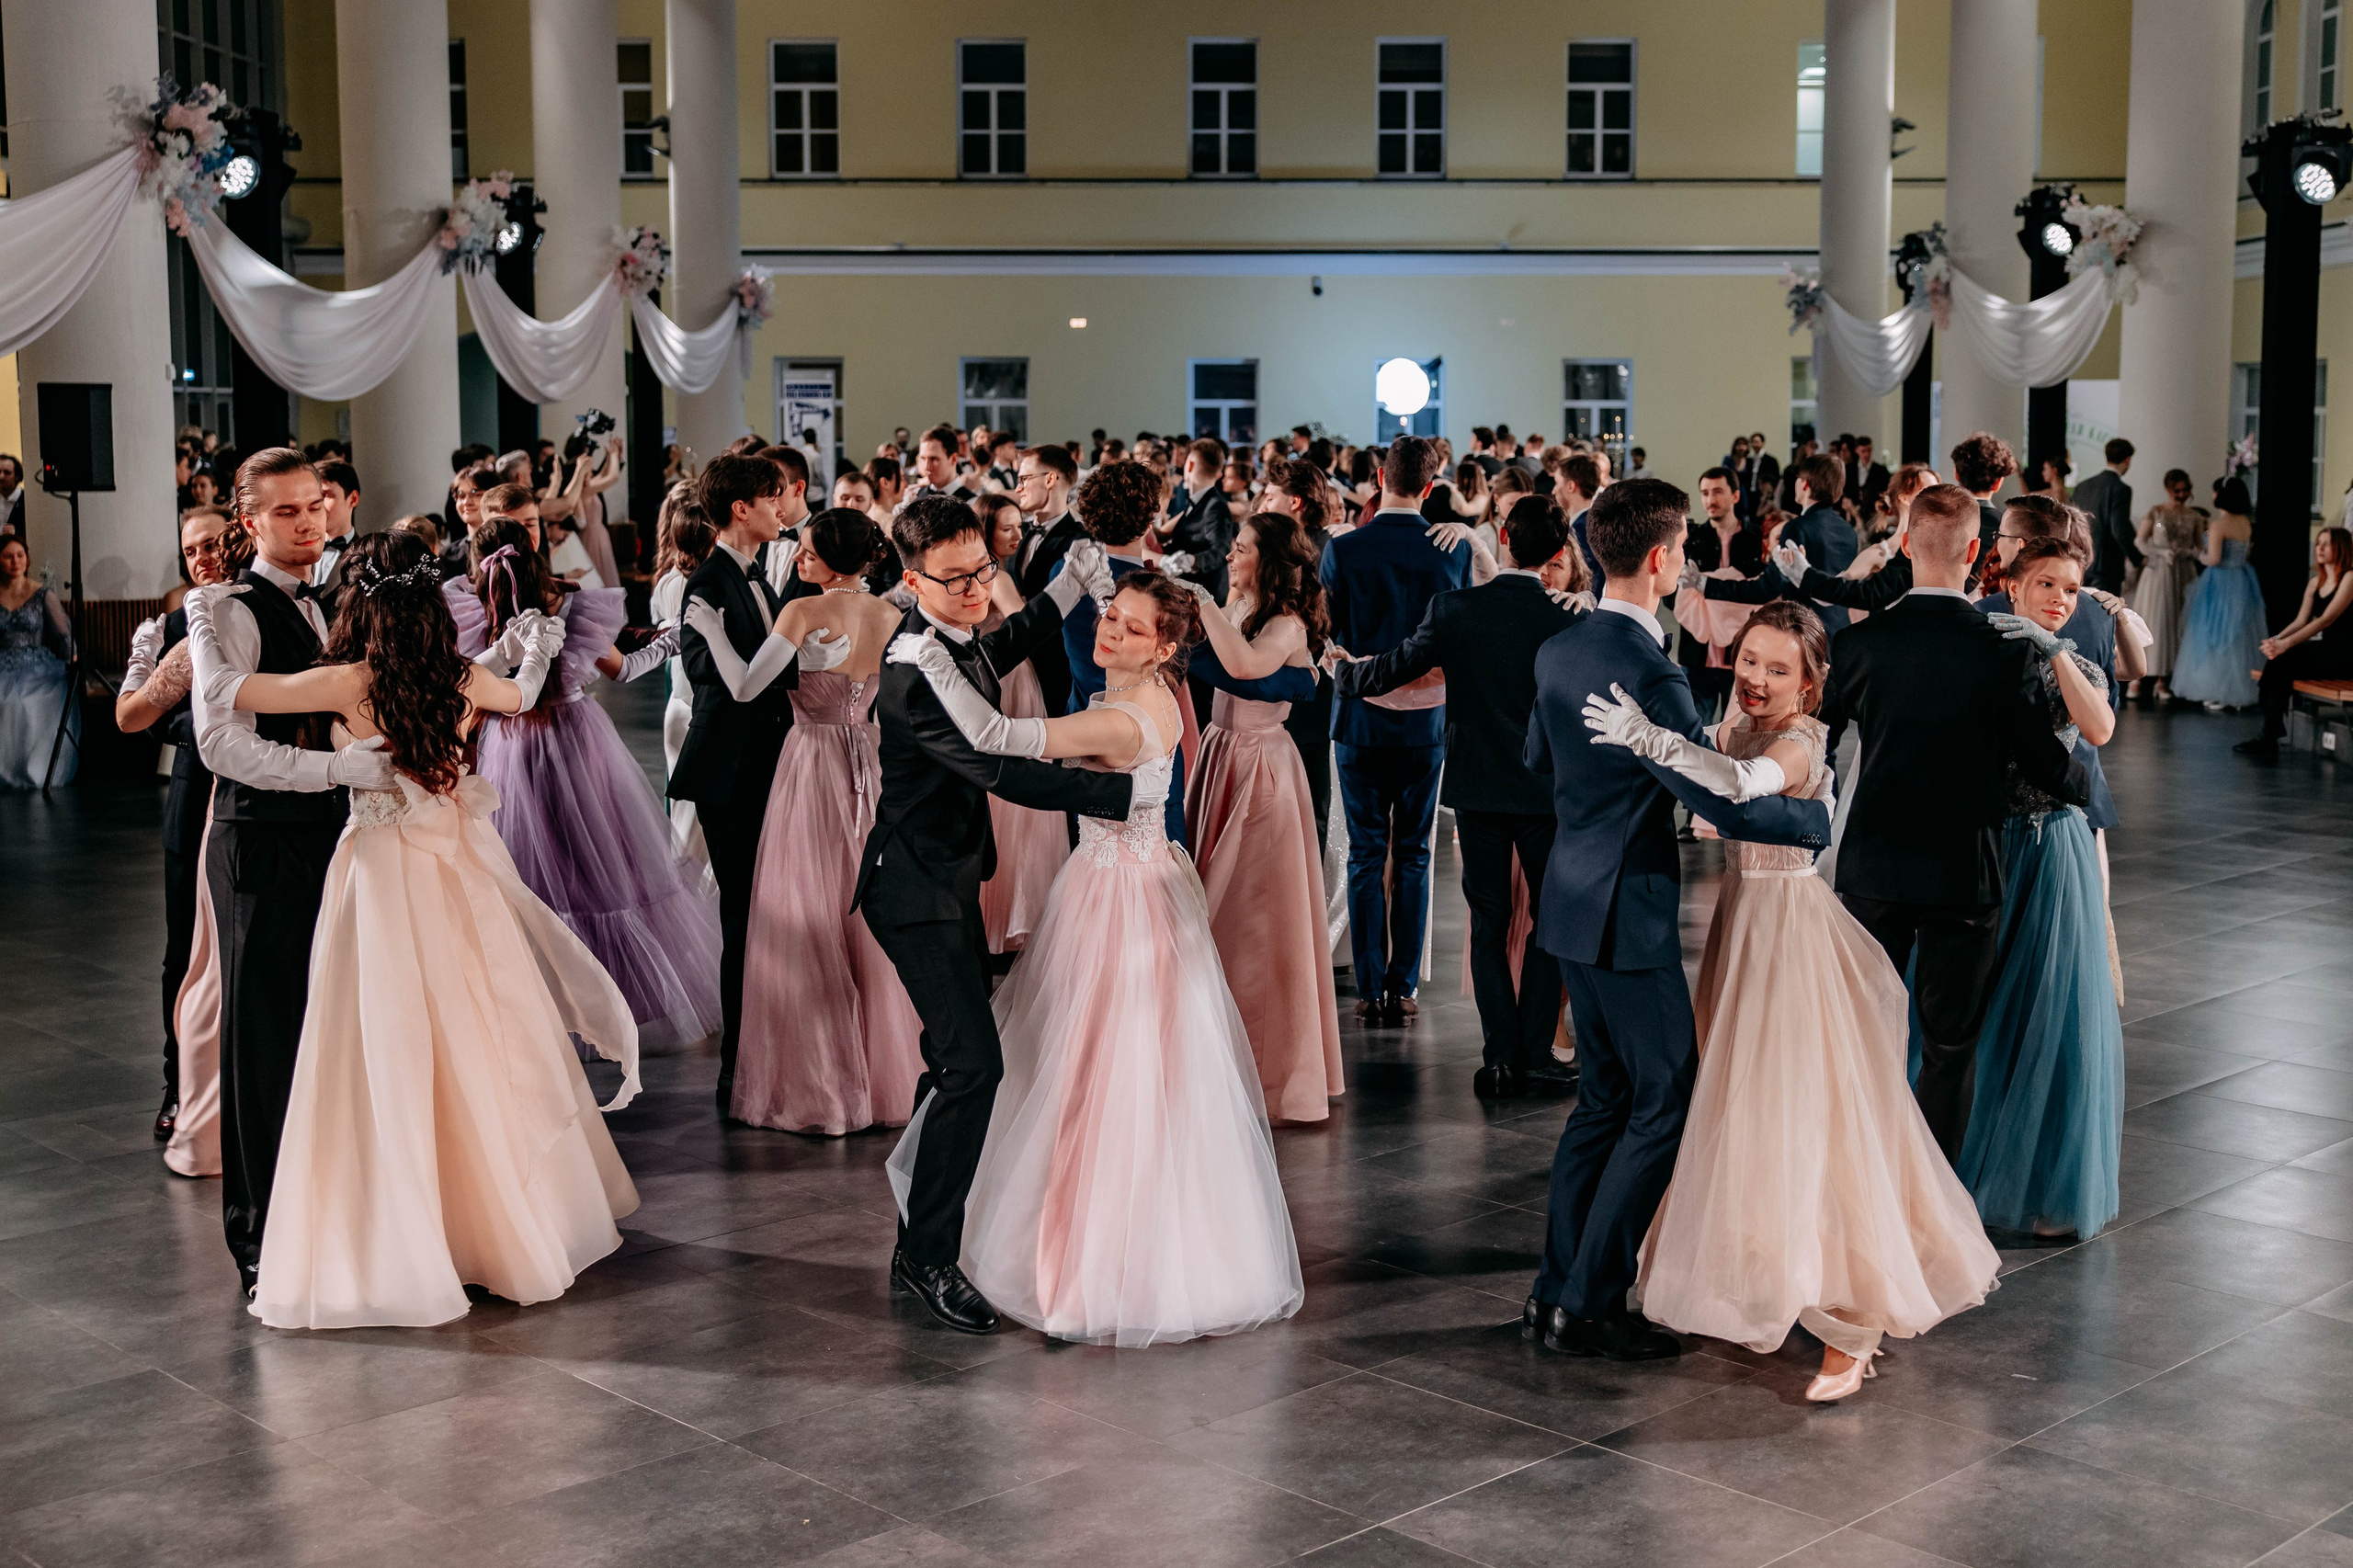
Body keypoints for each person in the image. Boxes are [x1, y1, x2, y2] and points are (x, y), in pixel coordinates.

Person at [184, 530, 642, 1329]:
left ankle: (409, 1225)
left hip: (382, 874)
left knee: (384, 1041)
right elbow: (525, 697)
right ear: (436, 615)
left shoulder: (345, 680)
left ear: (363, 611)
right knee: (476, 1028)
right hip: (461, 870)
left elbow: (228, 694)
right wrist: (532, 649)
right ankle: (496, 1225)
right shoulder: (462, 677)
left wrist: (198, 614)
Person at [1590, 601, 1997, 1403]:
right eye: (1749, 661)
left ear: (1812, 686)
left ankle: (1852, 1323)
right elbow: (1709, 777)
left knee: (1799, 1119)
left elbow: (1742, 786)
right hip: (1744, 923)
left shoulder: (1800, 742)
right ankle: (1769, 1272)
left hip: (1788, 939)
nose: (1757, 679)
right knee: (1743, 1112)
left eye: (1779, 670)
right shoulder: (1734, 721)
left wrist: (1646, 735)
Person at [884, 568, 1302, 1346]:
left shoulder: (1126, 719)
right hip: (1131, 878)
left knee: (1097, 1071)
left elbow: (1001, 740)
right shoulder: (1138, 700)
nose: (1109, 632)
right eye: (1109, 617)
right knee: (1108, 1064)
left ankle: (1091, 1266)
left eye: (1131, 628)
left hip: (1118, 899)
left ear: (1165, 648)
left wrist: (935, 664)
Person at [1521, 477, 1833, 1362]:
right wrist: (1813, 821)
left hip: (1570, 897)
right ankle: (1588, 1302)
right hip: (1629, 908)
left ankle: (1551, 1292)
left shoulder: (1559, 649)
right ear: (1661, 558)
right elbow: (1721, 805)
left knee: (1601, 1102)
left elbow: (1537, 758)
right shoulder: (1652, 673)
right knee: (1663, 1102)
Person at [856, 497, 1131, 1335]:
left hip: (948, 880)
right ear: (912, 582)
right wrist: (1121, 790)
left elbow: (1000, 642)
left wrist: (1059, 597)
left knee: (953, 1064)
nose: (978, 589)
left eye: (984, 570)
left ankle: (917, 1237)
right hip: (911, 895)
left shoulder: (955, 635)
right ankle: (931, 1257)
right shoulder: (912, 673)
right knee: (974, 1068)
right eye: (957, 578)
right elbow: (999, 771)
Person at [183, 449, 404, 1297]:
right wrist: (331, 775)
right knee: (266, 1038)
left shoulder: (352, 596)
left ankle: (339, 1215)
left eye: (314, 506)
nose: (308, 522)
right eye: (285, 512)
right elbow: (219, 741)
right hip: (264, 841)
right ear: (248, 524)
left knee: (341, 1027)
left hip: (345, 838)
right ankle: (261, 1240)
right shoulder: (221, 606)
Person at [1815, 483, 2087, 1164]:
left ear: (1905, 545)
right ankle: (1933, 1198)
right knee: (1950, 1045)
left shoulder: (1859, 645)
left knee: (1868, 1033)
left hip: (1873, 864)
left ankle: (1862, 1178)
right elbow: (2046, 764)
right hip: (1966, 871)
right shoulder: (2002, 650)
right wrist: (2083, 786)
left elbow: (1812, 745)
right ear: (1975, 552)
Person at [1337, 496, 1583, 1101]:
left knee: (1489, 926)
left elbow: (1396, 668)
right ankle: (1534, 1054)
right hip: (1547, 793)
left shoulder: (1456, 609)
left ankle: (1498, 1057)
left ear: (1503, 538)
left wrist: (1344, 673)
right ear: (1556, 555)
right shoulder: (1570, 618)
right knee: (1549, 925)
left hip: (1476, 788)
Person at [453, 518, 723, 1055]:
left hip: (509, 746)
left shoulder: (470, 615)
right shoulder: (568, 607)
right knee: (599, 867)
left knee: (531, 870)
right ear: (535, 548)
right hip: (577, 744)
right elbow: (625, 670)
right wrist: (674, 636)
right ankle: (617, 1002)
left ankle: (543, 1003)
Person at [727, 507, 926, 1134]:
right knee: (865, 912)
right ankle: (884, 1077)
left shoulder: (802, 613)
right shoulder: (893, 616)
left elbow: (743, 689)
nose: (798, 560)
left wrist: (707, 633)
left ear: (832, 558)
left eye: (807, 552)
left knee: (809, 911)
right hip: (869, 763)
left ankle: (822, 1087)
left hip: (812, 763)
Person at [674, 453, 857, 1116]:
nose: (785, 508)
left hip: (774, 764)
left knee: (773, 910)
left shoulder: (758, 575)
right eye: (774, 498)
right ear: (742, 508)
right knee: (745, 915)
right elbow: (719, 686)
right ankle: (739, 1067)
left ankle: (774, 1052)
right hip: (731, 771)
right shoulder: (705, 586)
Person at [1957, 535, 2124, 1241]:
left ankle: (2044, 1184)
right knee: (1980, 1009)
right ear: (2014, 587)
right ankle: (1965, 1170)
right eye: (2046, 585)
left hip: (2054, 849)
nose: (2059, 598)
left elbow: (2101, 728)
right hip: (1988, 845)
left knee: (2055, 1013)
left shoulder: (2073, 659)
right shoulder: (1981, 650)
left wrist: (2055, 653)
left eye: (2071, 590)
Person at [1181, 510, 1344, 1124]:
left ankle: (1265, 1067)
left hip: (1262, 769)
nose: (1230, 554)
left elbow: (1246, 667)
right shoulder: (1245, 603)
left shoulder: (1287, 622)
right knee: (1217, 905)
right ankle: (1212, 1054)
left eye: (1243, 548)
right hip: (1223, 755)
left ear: (1270, 559)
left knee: (1253, 913)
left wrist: (1204, 605)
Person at [1322, 436, 1472, 1025]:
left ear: (1380, 477)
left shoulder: (1344, 548)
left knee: (1364, 855)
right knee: (1413, 854)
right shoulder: (1450, 551)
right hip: (1426, 720)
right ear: (1430, 487)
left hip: (1360, 717)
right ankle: (1403, 984)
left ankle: (1367, 984)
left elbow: (1327, 632)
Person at [118, 511, 248, 1145]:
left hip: (263, 792)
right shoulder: (174, 625)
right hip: (196, 793)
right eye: (190, 550)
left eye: (210, 545)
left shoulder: (261, 611)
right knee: (183, 948)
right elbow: (153, 719)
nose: (201, 558)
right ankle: (180, 1083)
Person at [974, 495, 1071, 953]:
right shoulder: (996, 575)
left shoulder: (976, 572)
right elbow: (1023, 621)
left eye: (1019, 527)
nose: (1017, 536)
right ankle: (1015, 906)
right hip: (1011, 680)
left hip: (999, 677)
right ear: (986, 529)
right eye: (1007, 528)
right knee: (1018, 787)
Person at [1697, 452, 1859, 631]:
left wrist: (1705, 583)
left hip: (1807, 631)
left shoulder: (1796, 528)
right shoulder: (1848, 531)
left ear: (1804, 485)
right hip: (1841, 629)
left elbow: (1766, 588)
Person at [649, 485, 718, 873]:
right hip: (690, 704)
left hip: (685, 702)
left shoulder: (676, 580)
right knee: (690, 820)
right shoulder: (684, 585)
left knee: (690, 811)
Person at [2239, 526, 2353, 757]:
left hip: (2345, 653)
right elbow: (2301, 620)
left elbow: (2326, 620)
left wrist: (2287, 644)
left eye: (2326, 543)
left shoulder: (2350, 577)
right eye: (2317, 543)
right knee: (2277, 661)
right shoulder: (2316, 583)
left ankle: (2269, 737)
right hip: (2326, 650)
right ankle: (2269, 736)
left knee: (2283, 658)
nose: (2318, 548)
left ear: (2340, 547)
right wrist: (2276, 640)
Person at [2170, 476, 2266, 710]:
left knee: (2214, 633)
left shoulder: (2219, 525)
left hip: (2220, 580)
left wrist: (2196, 554)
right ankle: (2240, 689)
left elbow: (2213, 558)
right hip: (2242, 579)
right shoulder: (2245, 522)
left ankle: (2217, 690)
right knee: (2238, 634)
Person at [1011, 443, 1087, 715]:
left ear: (1050, 479)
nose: (1018, 488)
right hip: (1016, 663)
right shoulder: (1020, 531)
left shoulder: (1077, 542)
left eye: (1023, 479)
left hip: (1054, 671)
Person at [0, 536, 74, 790]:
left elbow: (63, 632)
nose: (14, 561)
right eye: (8, 556)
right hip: (2, 661)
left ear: (27, 559)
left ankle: (35, 769)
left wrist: (71, 658)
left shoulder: (41, 593)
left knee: (27, 700)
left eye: (19, 555)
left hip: (36, 663)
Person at [2129, 470, 2204, 700]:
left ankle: (2164, 681)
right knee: (2156, 620)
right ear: (2168, 489)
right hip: (2159, 573)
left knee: (2176, 622)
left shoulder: (2194, 516)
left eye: (2185, 490)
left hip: (2183, 571)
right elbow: (2139, 541)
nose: (2182, 495)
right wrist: (2160, 552)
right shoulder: (2155, 511)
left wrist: (2186, 552)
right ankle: (2136, 679)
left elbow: (2200, 547)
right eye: (2177, 490)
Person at [2074, 438, 2139, 593]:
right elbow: (2119, 530)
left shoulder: (2082, 486)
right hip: (2107, 567)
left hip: (2080, 561)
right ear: (2127, 459)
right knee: (2104, 613)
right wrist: (2137, 558)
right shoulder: (2121, 489)